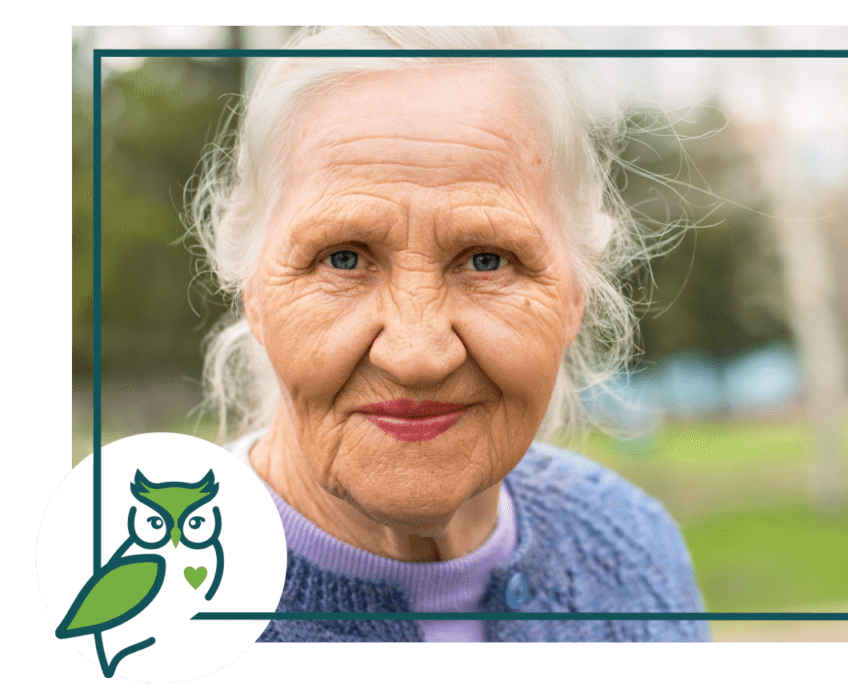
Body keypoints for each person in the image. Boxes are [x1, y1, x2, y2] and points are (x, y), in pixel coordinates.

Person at [192, 25, 710, 642]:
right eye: (344, 259)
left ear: (575, 293)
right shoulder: (141, 621)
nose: (416, 354)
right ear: (252, 290)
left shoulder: (631, 556)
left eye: (486, 260)